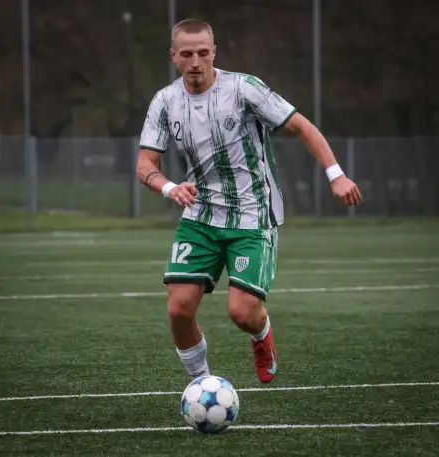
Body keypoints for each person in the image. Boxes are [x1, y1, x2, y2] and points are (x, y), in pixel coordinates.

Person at [136, 18, 362, 383]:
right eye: (187, 54)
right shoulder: (165, 101)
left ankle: (261, 334)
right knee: (179, 309)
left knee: (242, 313)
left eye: (203, 53)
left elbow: (301, 126)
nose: (195, 61)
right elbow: (145, 164)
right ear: (173, 56)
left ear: (214, 53)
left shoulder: (243, 89)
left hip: (252, 215)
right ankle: (202, 382)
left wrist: (336, 175)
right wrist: (169, 187)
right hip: (199, 217)